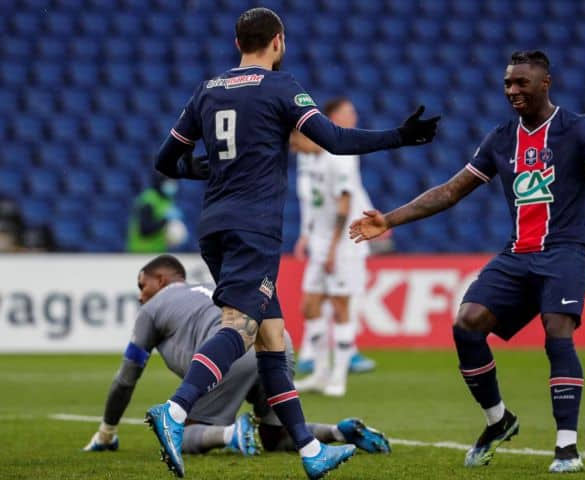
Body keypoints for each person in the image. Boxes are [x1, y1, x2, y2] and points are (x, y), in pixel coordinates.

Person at [149, 7, 439, 478]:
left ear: (237, 42)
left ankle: (309, 450)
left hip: (215, 225)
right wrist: (400, 137)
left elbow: (167, 161)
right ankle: (177, 411)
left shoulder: (207, 89)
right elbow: (336, 140)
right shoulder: (283, 88)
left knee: (272, 339)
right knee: (240, 328)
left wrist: (200, 169)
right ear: (278, 41)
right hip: (254, 227)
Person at [349, 50, 585, 474]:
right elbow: (449, 191)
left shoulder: (578, 129)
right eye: (507, 84)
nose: (512, 90)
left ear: (545, 83)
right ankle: (499, 421)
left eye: (521, 83)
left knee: (557, 330)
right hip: (518, 252)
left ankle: (567, 446)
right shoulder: (501, 138)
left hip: (567, 249)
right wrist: (388, 219)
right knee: (467, 323)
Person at [82, 255, 390, 458]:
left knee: (182, 431)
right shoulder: (209, 287)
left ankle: (230, 434)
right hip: (277, 340)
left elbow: (126, 379)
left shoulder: (151, 309)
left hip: (230, 349)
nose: (139, 295)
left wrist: (107, 431)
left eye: (142, 285)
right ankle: (338, 432)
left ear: (161, 280)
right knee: (275, 434)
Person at [291, 97, 376, 397]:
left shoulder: (340, 156)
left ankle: (338, 377)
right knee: (310, 305)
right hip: (321, 241)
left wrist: (331, 250)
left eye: (294, 138)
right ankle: (321, 372)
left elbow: (344, 203)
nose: (291, 145)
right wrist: (308, 234)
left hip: (343, 244)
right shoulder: (310, 158)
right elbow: (313, 204)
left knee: (340, 305)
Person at [127, 173, 188, 253]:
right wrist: (165, 221)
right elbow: (144, 230)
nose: (172, 184)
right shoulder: (148, 199)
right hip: (140, 252)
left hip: (158, 252)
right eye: (169, 181)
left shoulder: (168, 200)